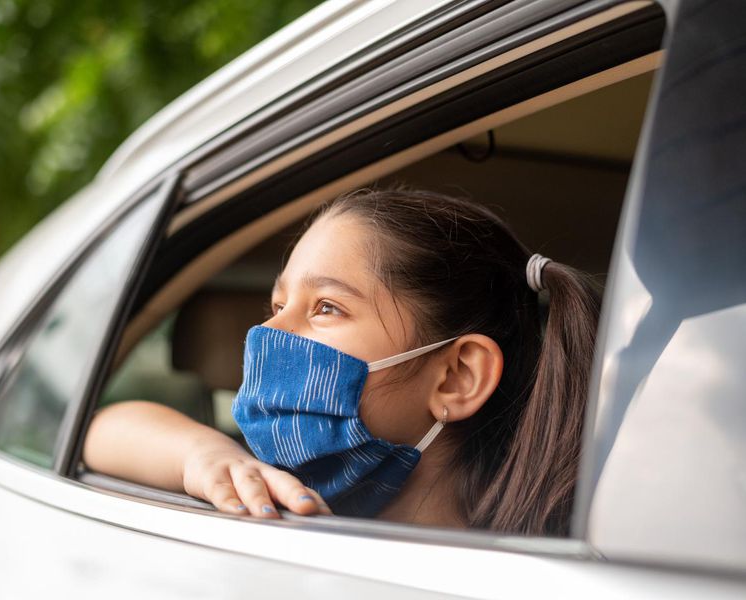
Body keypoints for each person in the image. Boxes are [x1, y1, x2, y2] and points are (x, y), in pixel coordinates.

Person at [83, 187, 600, 536]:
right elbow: (103, 429)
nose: (267, 333)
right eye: (277, 305)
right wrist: (204, 455)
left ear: (457, 377)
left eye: (326, 307)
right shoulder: (267, 481)